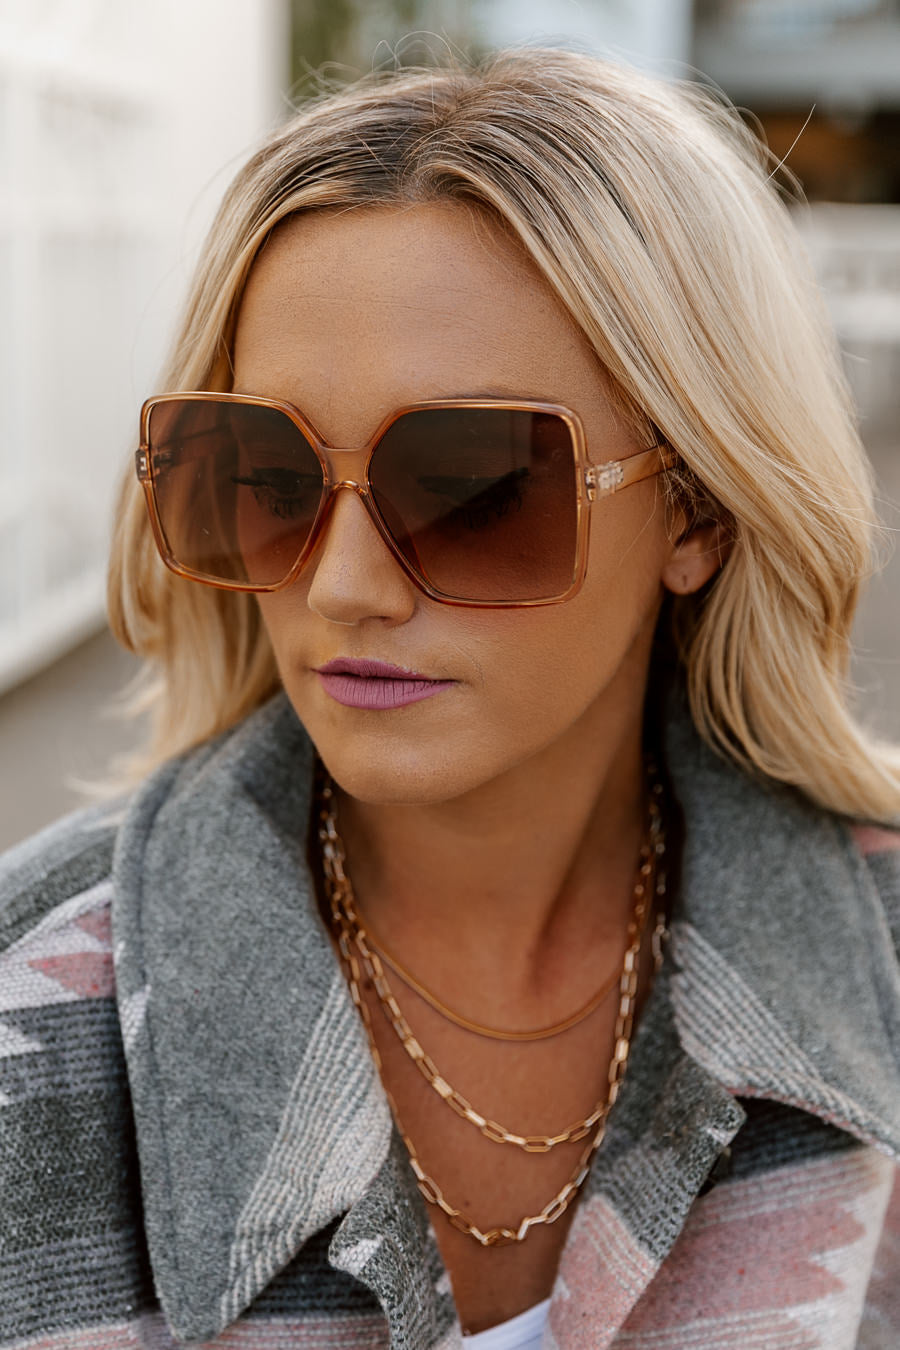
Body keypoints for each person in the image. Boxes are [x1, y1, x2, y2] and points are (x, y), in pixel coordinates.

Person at [1, 46, 899, 1350]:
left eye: (472, 486)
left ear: (698, 509)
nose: (344, 587)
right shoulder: (24, 1000)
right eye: (266, 474)